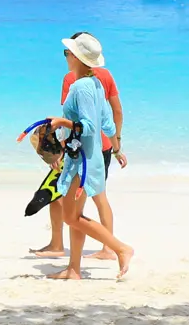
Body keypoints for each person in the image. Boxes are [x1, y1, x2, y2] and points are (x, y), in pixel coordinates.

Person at [44, 34, 134, 280]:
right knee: (77, 215)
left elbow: (89, 127)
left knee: (70, 216)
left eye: (68, 53)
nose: (66, 57)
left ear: (76, 57)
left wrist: (62, 122)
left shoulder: (80, 86)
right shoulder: (95, 84)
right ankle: (74, 269)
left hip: (80, 161)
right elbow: (108, 125)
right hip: (92, 158)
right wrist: (116, 149)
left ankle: (120, 248)